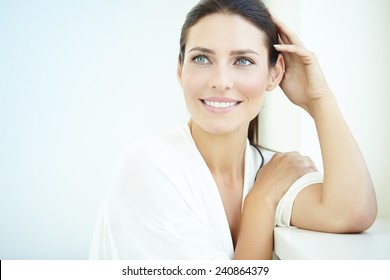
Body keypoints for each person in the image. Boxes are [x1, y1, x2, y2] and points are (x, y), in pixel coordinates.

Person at [89, 0, 377, 260]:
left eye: (243, 61)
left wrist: (319, 99)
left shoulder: (267, 171)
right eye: (202, 58)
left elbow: (352, 211)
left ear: (274, 73)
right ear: (180, 69)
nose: (221, 81)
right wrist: (260, 202)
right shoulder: (148, 165)